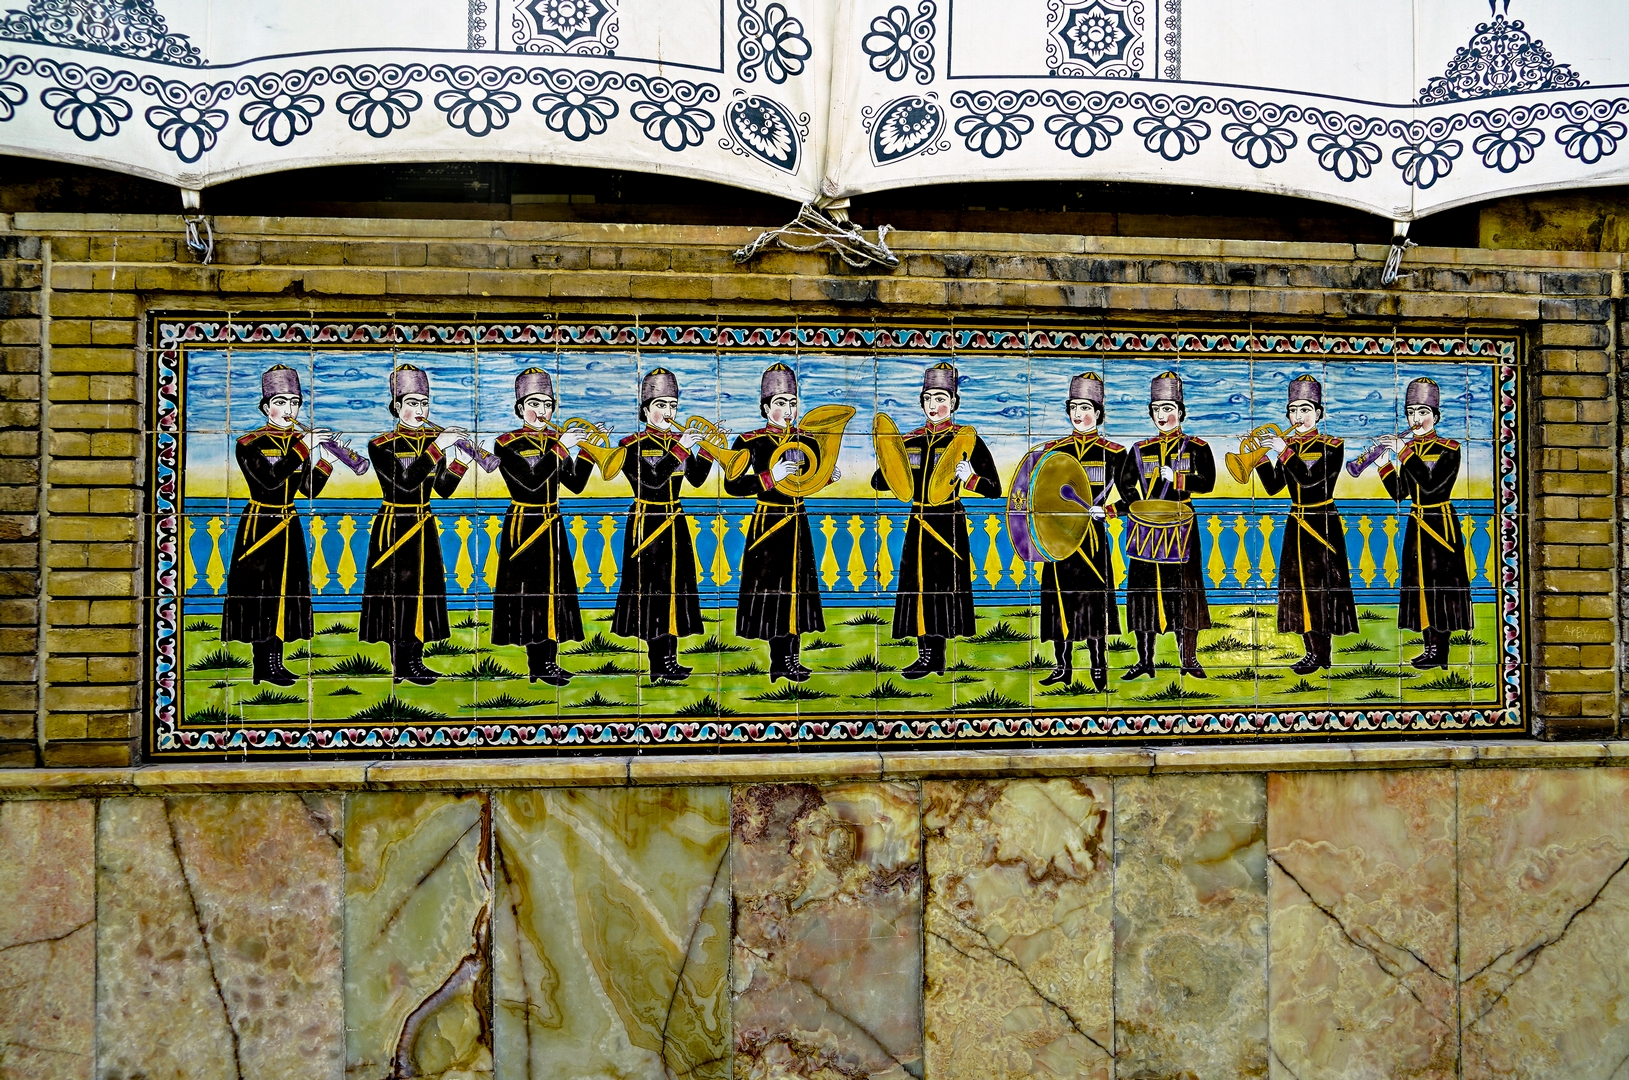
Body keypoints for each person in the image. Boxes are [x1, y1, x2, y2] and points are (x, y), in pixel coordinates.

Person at [869, 361, 1002, 679]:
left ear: (954, 402)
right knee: (917, 587)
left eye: (941, 398)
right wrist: (890, 463)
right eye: (928, 398)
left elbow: (994, 488)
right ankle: (924, 655)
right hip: (918, 519)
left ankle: (936, 656)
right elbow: (879, 481)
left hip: (948, 520)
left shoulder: (966, 440)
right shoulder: (910, 441)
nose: (933, 405)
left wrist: (970, 478)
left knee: (942, 588)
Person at [221, 364, 336, 685]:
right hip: (260, 524)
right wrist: (303, 448)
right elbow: (270, 480)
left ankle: (276, 662)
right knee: (262, 594)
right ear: (265, 407)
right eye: (281, 402)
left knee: (287, 593)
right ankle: (263, 664)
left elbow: (308, 490)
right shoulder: (249, 443)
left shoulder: (299, 443)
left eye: (294, 402)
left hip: (289, 523)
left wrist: (326, 463)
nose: (289, 409)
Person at [359, 365, 473, 685]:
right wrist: (438, 448)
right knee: (400, 595)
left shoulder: (431, 443)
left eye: (424, 403)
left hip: (424, 523)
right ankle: (402, 664)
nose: (420, 410)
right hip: (395, 524)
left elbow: (443, 489)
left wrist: (461, 462)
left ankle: (416, 660)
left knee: (425, 594)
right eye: (412, 402)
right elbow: (405, 484)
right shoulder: (381, 445)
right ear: (396, 406)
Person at [723, 364, 834, 683]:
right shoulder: (749, 441)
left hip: (797, 522)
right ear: (765, 407)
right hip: (768, 523)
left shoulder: (806, 440)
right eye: (780, 403)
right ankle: (779, 662)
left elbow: (810, 479)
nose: (787, 410)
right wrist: (771, 477)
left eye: (792, 403)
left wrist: (827, 478)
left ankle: (792, 659)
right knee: (773, 593)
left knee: (798, 590)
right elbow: (733, 486)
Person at [491, 368, 596, 685]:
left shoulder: (553, 441)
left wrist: (589, 453)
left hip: (553, 523)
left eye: (548, 404)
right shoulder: (506, 444)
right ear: (520, 408)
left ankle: (549, 661)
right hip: (525, 524)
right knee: (531, 595)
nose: (542, 411)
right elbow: (531, 482)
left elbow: (575, 484)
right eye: (534, 403)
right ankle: (538, 665)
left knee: (555, 593)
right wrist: (561, 448)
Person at [611, 368, 715, 682]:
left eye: (672, 405)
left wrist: (708, 450)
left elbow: (696, 479)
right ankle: (658, 662)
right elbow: (652, 481)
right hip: (648, 522)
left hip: (675, 523)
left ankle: (670, 659)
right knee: (653, 592)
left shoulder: (677, 442)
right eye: (660, 405)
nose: (668, 412)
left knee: (676, 591)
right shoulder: (631, 445)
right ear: (645, 410)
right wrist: (681, 448)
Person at [1255, 375, 1360, 673]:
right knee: (1297, 588)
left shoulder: (1332, 446)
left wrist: (1283, 452)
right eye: (1293, 410)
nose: (1298, 416)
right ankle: (1311, 652)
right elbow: (1274, 487)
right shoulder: (1287, 446)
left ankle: (1322, 654)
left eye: (1305, 409)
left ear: (1319, 413)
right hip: (1296, 523)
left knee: (1322, 587)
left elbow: (1312, 481)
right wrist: (1257, 458)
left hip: (1322, 521)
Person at [1115, 371, 1215, 679]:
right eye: (1157, 409)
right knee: (1143, 592)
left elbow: (1208, 482)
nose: (1162, 415)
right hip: (1146, 527)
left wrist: (1179, 479)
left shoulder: (1196, 447)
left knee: (1185, 591)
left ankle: (1189, 659)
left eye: (1168, 408)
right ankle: (1145, 660)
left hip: (1182, 526)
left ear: (1181, 412)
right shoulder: (1139, 449)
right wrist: (1130, 508)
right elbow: (1126, 487)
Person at [1035, 372, 1125, 691]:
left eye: (1085, 407)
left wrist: (1109, 511)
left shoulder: (1115, 453)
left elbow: (1133, 497)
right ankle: (1062, 666)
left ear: (1098, 412)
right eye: (1073, 407)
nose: (1077, 413)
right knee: (1059, 602)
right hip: (1058, 538)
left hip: (1091, 539)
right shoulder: (1053, 451)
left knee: (1093, 603)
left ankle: (1098, 666)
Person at [1376, 377, 1473, 668]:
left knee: (1440, 585)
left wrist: (1403, 452)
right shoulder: (1411, 450)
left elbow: (1431, 485)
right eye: (1410, 413)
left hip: (1440, 522)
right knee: (1419, 585)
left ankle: (1440, 650)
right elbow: (1400, 492)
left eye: (1422, 412)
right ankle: (1430, 647)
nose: (1415, 419)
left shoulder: (1449, 448)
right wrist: (1383, 466)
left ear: (1435, 416)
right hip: (1417, 522)